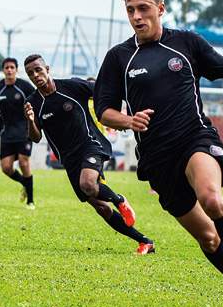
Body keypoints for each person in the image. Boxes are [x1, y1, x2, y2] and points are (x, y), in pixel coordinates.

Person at [94, 0, 223, 307]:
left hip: (195, 139)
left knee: (212, 199)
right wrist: (128, 121)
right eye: (131, 10)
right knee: (207, 238)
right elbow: (103, 108)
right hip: (157, 160)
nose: (137, 16)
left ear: (160, 8)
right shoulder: (119, 57)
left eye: (144, 8)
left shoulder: (186, 44)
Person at [23, 54, 155, 255]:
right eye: (30, 73)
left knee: (87, 184)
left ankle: (120, 200)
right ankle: (145, 242)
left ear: (47, 69)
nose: (36, 75)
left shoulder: (72, 86)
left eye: (38, 70)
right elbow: (35, 137)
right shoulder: (33, 103)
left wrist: (120, 116)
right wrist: (31, 120)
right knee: (101, 208)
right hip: (69, 160)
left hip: (90, 145)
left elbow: (103, 93)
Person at [0, 57, 36, 209]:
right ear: (3, 70)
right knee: (6, 168)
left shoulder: (24, 86)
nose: (9, 70)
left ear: (16, 70)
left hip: (24, 131)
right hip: (6, 133)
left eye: (12, 67)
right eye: (6, 67)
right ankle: (25, 183)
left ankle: (30, 201)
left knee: (24, 163)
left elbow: (37, 99)